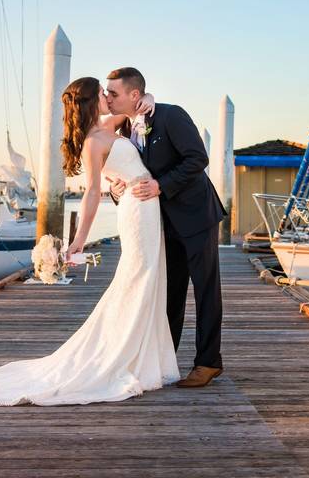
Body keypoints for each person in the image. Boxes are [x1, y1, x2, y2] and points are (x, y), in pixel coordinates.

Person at [0, 77, 178, 405]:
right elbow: (93, 191)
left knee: (148, 277)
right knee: (138, 277)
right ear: (92, 101)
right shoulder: (93, 142)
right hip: (136, 209)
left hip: (147, 205)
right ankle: (123, 357)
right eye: (103, 93)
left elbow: (136, 107)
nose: (109, 96)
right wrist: (79, 239)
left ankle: (144, 358)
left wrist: (147, 95)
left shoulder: (108, 124)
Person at [105, 67, 225, 388]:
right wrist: (116, 190)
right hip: (158, 223)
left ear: (135, 94)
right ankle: (164, 359)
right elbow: (130, 172)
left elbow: (197, 158)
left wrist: (161, 185)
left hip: (196, 215)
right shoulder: (124, 128)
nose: (108, 98)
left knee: (205, 290)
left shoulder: (171, 116)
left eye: (113, 93)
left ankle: (208, 362)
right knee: (169, 293)